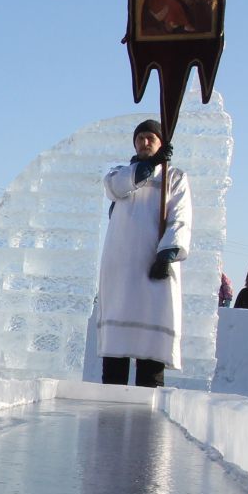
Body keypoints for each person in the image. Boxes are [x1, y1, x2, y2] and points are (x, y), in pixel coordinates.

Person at [94, 119, 189, 387]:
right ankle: (110, 404)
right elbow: (115, 188)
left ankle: (149, 402)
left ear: (161, 143)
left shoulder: (175, 177)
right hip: (121, 266)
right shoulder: (120, 173)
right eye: (141, 138)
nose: (145, 142)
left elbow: (180, 217)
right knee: (117, 345)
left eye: (151, 138)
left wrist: (167, 253)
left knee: (151, 343)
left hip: (153, 265)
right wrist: (149, 166)